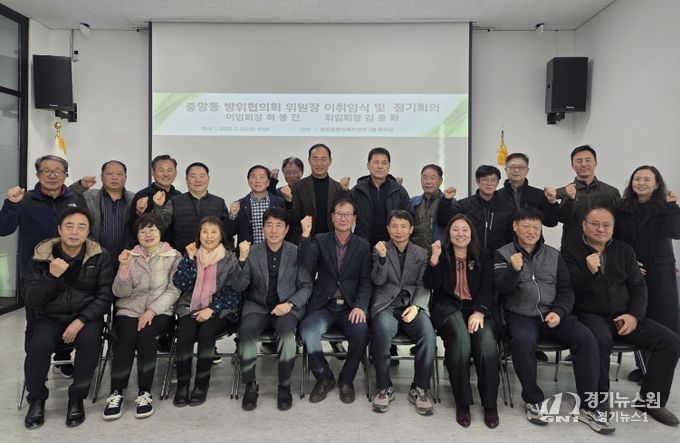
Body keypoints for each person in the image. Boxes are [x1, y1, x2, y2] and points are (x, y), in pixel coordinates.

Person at [495, 208, 613, 434]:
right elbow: (501, 289)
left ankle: (589, 406)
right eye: (526, 226)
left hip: (554, 314)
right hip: (521, 315)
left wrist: (559, 311)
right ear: (515, 227)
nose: (531, 231)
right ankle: (533, 399)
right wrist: (513, 270)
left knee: (586, 339)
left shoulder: (554, 255)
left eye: (536, 227)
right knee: (522, 341)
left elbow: (567, 290)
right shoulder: (503, 254)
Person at [562, 207, 680, 427]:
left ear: (613, 228)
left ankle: (651, 401)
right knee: (600, 340)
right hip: (589, 313)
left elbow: (638, 287)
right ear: (584, 226)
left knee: (670, 341)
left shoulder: (624, 250)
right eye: (595, 224)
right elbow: (570, 289)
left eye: (606, 225)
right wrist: (589, 271)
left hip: (625, 314)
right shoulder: (570, 251)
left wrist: (634, 315)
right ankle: (598, 399)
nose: (601, 229)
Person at [22, 206, 114, 429]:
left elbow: (105, 296)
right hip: (49, 316)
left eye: (81, 227)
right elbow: (31, 299)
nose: (74, 232)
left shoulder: (100, 256)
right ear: (59, 230)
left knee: (90, 342)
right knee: (39, 345)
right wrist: (51, 276)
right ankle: (36, 399)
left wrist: (81, 320)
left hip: (85, 317)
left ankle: (76, 398)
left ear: (88, 232)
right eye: (69, 226)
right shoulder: (41, 256)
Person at [1, 155, 87, 377]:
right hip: (35, 273)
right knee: (36, 322)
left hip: (70, 269)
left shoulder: (76, 199)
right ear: (38, 174)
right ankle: (36, 367)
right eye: (46, 171)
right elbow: (4, 228)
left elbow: (86, 229)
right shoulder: (25, 199)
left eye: (57, 171)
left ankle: (62, 358)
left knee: (68, 315)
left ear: (66, 174)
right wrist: (11, 204)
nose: (52, 175)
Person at [102, 214, 181, 420]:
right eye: (142, 231)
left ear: (160, 232)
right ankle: (116, 392)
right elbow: (120, 292)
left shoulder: (173, 256)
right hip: (129, 308)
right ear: (136, 235)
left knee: (146, 336)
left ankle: (144, 392)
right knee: (126, 338)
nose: (148, 234)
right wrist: (124, 268)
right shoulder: (129, 256)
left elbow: (174, 290)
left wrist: (152, 310)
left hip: (160, 310)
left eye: (152, 229)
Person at [424, 214, 500, 428]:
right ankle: (463, 402)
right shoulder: (442, 254)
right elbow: (431, 285)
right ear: (448, 233)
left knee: (486, 342)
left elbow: (488, 288)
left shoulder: (483, 256)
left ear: (471, 234)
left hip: (477, 309)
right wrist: (434, 260)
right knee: (460, 338)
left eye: (464, 230)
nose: (460, 234)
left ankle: (490, 404)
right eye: (455, 229)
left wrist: (480, 311)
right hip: (447, 308)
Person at [233, 207, 312, 411]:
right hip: (257, 306)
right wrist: (241, 260)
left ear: (286, 229)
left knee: (286, 334)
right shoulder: (253, 251)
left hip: (287, 307)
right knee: (246, 332)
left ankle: (284, 386)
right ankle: (250, 384)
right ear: (263, 228)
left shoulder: (296, 251)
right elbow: (239, 286)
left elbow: (306, 286)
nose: (274, 230)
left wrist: (290, 304)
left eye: (279, 226)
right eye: (269, 225)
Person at [298, 195, 372, 404]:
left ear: (354, 218)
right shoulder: (320, 240)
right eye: (339, 214)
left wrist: (360, 306)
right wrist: (305, 235)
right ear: (332, 217)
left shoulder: (362, 246)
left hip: (350, 307)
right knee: (308, 330)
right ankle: (324, 377)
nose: (343, 218)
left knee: (361, 332)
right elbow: (305, 264)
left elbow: (366, 281)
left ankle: (346, 380)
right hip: (324, 306)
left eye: (347, 214)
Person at [614, 166, 680, 381]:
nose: (641, 183)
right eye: (637, 179)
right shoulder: (622, 207)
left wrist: (672, 206)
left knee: (662, 318)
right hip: (630, 270)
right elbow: (616, 239)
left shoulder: (666, 206)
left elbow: (675, 232)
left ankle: (654, 371)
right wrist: (629, 263)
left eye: (646, 179)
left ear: (657, 183)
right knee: (639, 316)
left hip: (660, 272)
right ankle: (643, 367)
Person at [370, 210, 435, 416]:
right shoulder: (380, 249)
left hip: (411, 304)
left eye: (403, 226)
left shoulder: (421, 253)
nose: (399, 231)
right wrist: (382, 259)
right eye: (394, 226)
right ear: (388, 229)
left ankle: (420, 388)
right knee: (381, 332)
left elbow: (423, 285)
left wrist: (416, 306)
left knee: (428, 334)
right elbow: (378, 281)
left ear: (411, 229)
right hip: (386, 305)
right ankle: (384, 387)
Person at [171, 216, 241, 407]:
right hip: (190, 307)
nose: (209, 236)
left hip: (220, 310)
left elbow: (233, 291)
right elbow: (181, 284)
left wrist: (211, 309)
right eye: (205, 232)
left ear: (221, 235)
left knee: (206, 334)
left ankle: (201, 385)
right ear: (199, 235)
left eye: (214, 232)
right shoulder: (191, 254)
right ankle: (183, 385)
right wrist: (189, 259)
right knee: (184, 336)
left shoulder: (229, 258)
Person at [69, 160, 135, 267]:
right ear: (101, 177)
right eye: (109, 174)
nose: (114, 178)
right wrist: (81, 185)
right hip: (94, 259)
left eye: (119, 174)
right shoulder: (88, 196)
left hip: (126, 261)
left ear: (125, 178)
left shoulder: (134, 199)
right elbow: (67, 196)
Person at [438, 165, 514, 257]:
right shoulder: (464, 205)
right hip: (471, 256)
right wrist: (446, 200)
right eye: (485, 180)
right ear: (477, 181)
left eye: (493, 180)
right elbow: (444, 221)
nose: (489, 183)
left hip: (499, 258)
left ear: (498, 182)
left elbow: (511, 235)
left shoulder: (507, 207)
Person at [154, 162, 229, 252]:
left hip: (212, 256)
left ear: (208, 179)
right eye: (193, 176)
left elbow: (226, 232)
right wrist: (158, 207)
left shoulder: (219, 202)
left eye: (202, 176)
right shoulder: (175, 201)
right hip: (181, 255)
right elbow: (160, 226)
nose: (198, 180)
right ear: (186, 179)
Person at [556, 145, 620, 248]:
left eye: (588, 160)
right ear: (572, 165)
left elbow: (619, 223)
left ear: (596, 163)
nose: (584, 164)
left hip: (605, 249)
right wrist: (569, 199)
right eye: (579, 160)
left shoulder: (611, 193)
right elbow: (560, 218)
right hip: (572, 249)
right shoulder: (563, 192)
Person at [289, 144, 348, 244]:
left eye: (323, 159)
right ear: (309, 160)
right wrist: (288, 201)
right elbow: (294, 218)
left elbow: (346, 215)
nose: (319, 163)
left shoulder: (338, 188)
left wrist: (345, 192)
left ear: (330, 161)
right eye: (315, 159)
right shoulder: (298, 187)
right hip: (305, 241)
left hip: (332, 243)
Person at [351, 147, 411, 246]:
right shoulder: (357, 190)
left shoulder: (399, 191)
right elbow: (347, 217)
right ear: (368, 165)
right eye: (376, 162)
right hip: (363, 244)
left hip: (392, 245)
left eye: (384, 163)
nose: (380, 166)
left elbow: (408, 218)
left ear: (389, 166)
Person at [226, 165, 286, 248]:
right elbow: (228, 233)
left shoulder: (279, 202)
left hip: (275, 251)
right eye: (254, 177)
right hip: (248, 253)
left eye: (262, 177)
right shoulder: (239, 205)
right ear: (248, 181)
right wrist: (232, 216)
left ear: (268, 182)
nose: (257, 181)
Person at [496, 153, 559, 227]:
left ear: (527, 170)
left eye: (521, 167)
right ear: (506, 170)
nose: (516, 170)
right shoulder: (497, 196)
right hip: (505, 235)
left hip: (531, 234)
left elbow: (551, 223)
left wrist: (552, 202)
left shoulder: (538, 194)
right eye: (512, 167)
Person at [129, 154, 181, 243]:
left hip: (177, 248)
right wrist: (139, 213)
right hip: (150, 248)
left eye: (169, 170)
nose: (166, 174)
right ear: (152, 172)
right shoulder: (142, 195)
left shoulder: (179, 196)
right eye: (161, 170)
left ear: (175, 173)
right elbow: (132, 227)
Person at [410, 164, 456, 250]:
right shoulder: (413, 202)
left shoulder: (450, 202)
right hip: (416, 252)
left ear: (440, 181)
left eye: (432, 178)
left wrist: (446, 201)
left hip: (440, 252)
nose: (428, 182)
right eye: (425, 178)